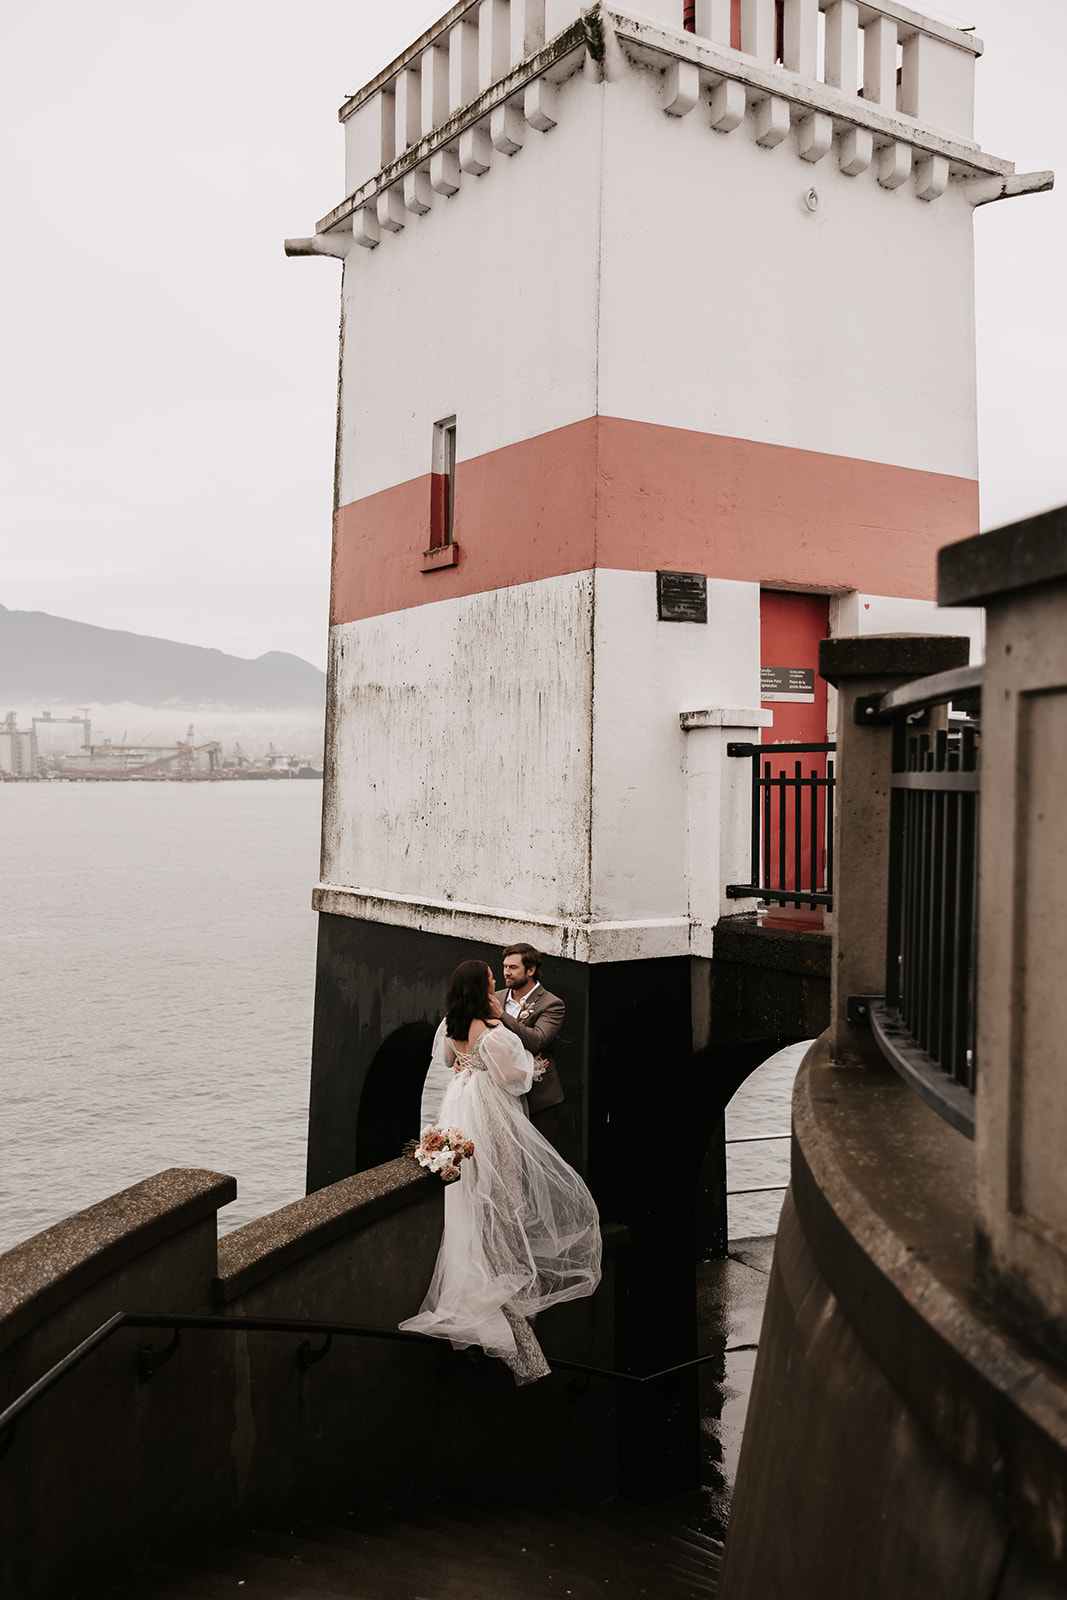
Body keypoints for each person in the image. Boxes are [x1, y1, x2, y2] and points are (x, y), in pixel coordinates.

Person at [400, 960, 601, 1385]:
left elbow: (447, 1059)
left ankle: (492, 1254)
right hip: (488, 1112)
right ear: (480, 988)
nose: (496, 983)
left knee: (474, 1188)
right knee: (503, 1183)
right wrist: (523, 1057)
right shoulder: (491, 1032)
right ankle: (504, 1263)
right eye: (491, 980)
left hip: (459, 1106)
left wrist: (469, 1062)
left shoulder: (452, 1024)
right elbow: (515, 1079)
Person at [489, 944, 566, 1146]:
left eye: (513, 967)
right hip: (500, 1096)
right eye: (505, 966)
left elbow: (536, 1040)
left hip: (538, 1100)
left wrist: (502, 1016)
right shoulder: (496, 997)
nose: (506, 972)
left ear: (531, 970)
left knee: (540, 1167)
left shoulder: (552, 1004)